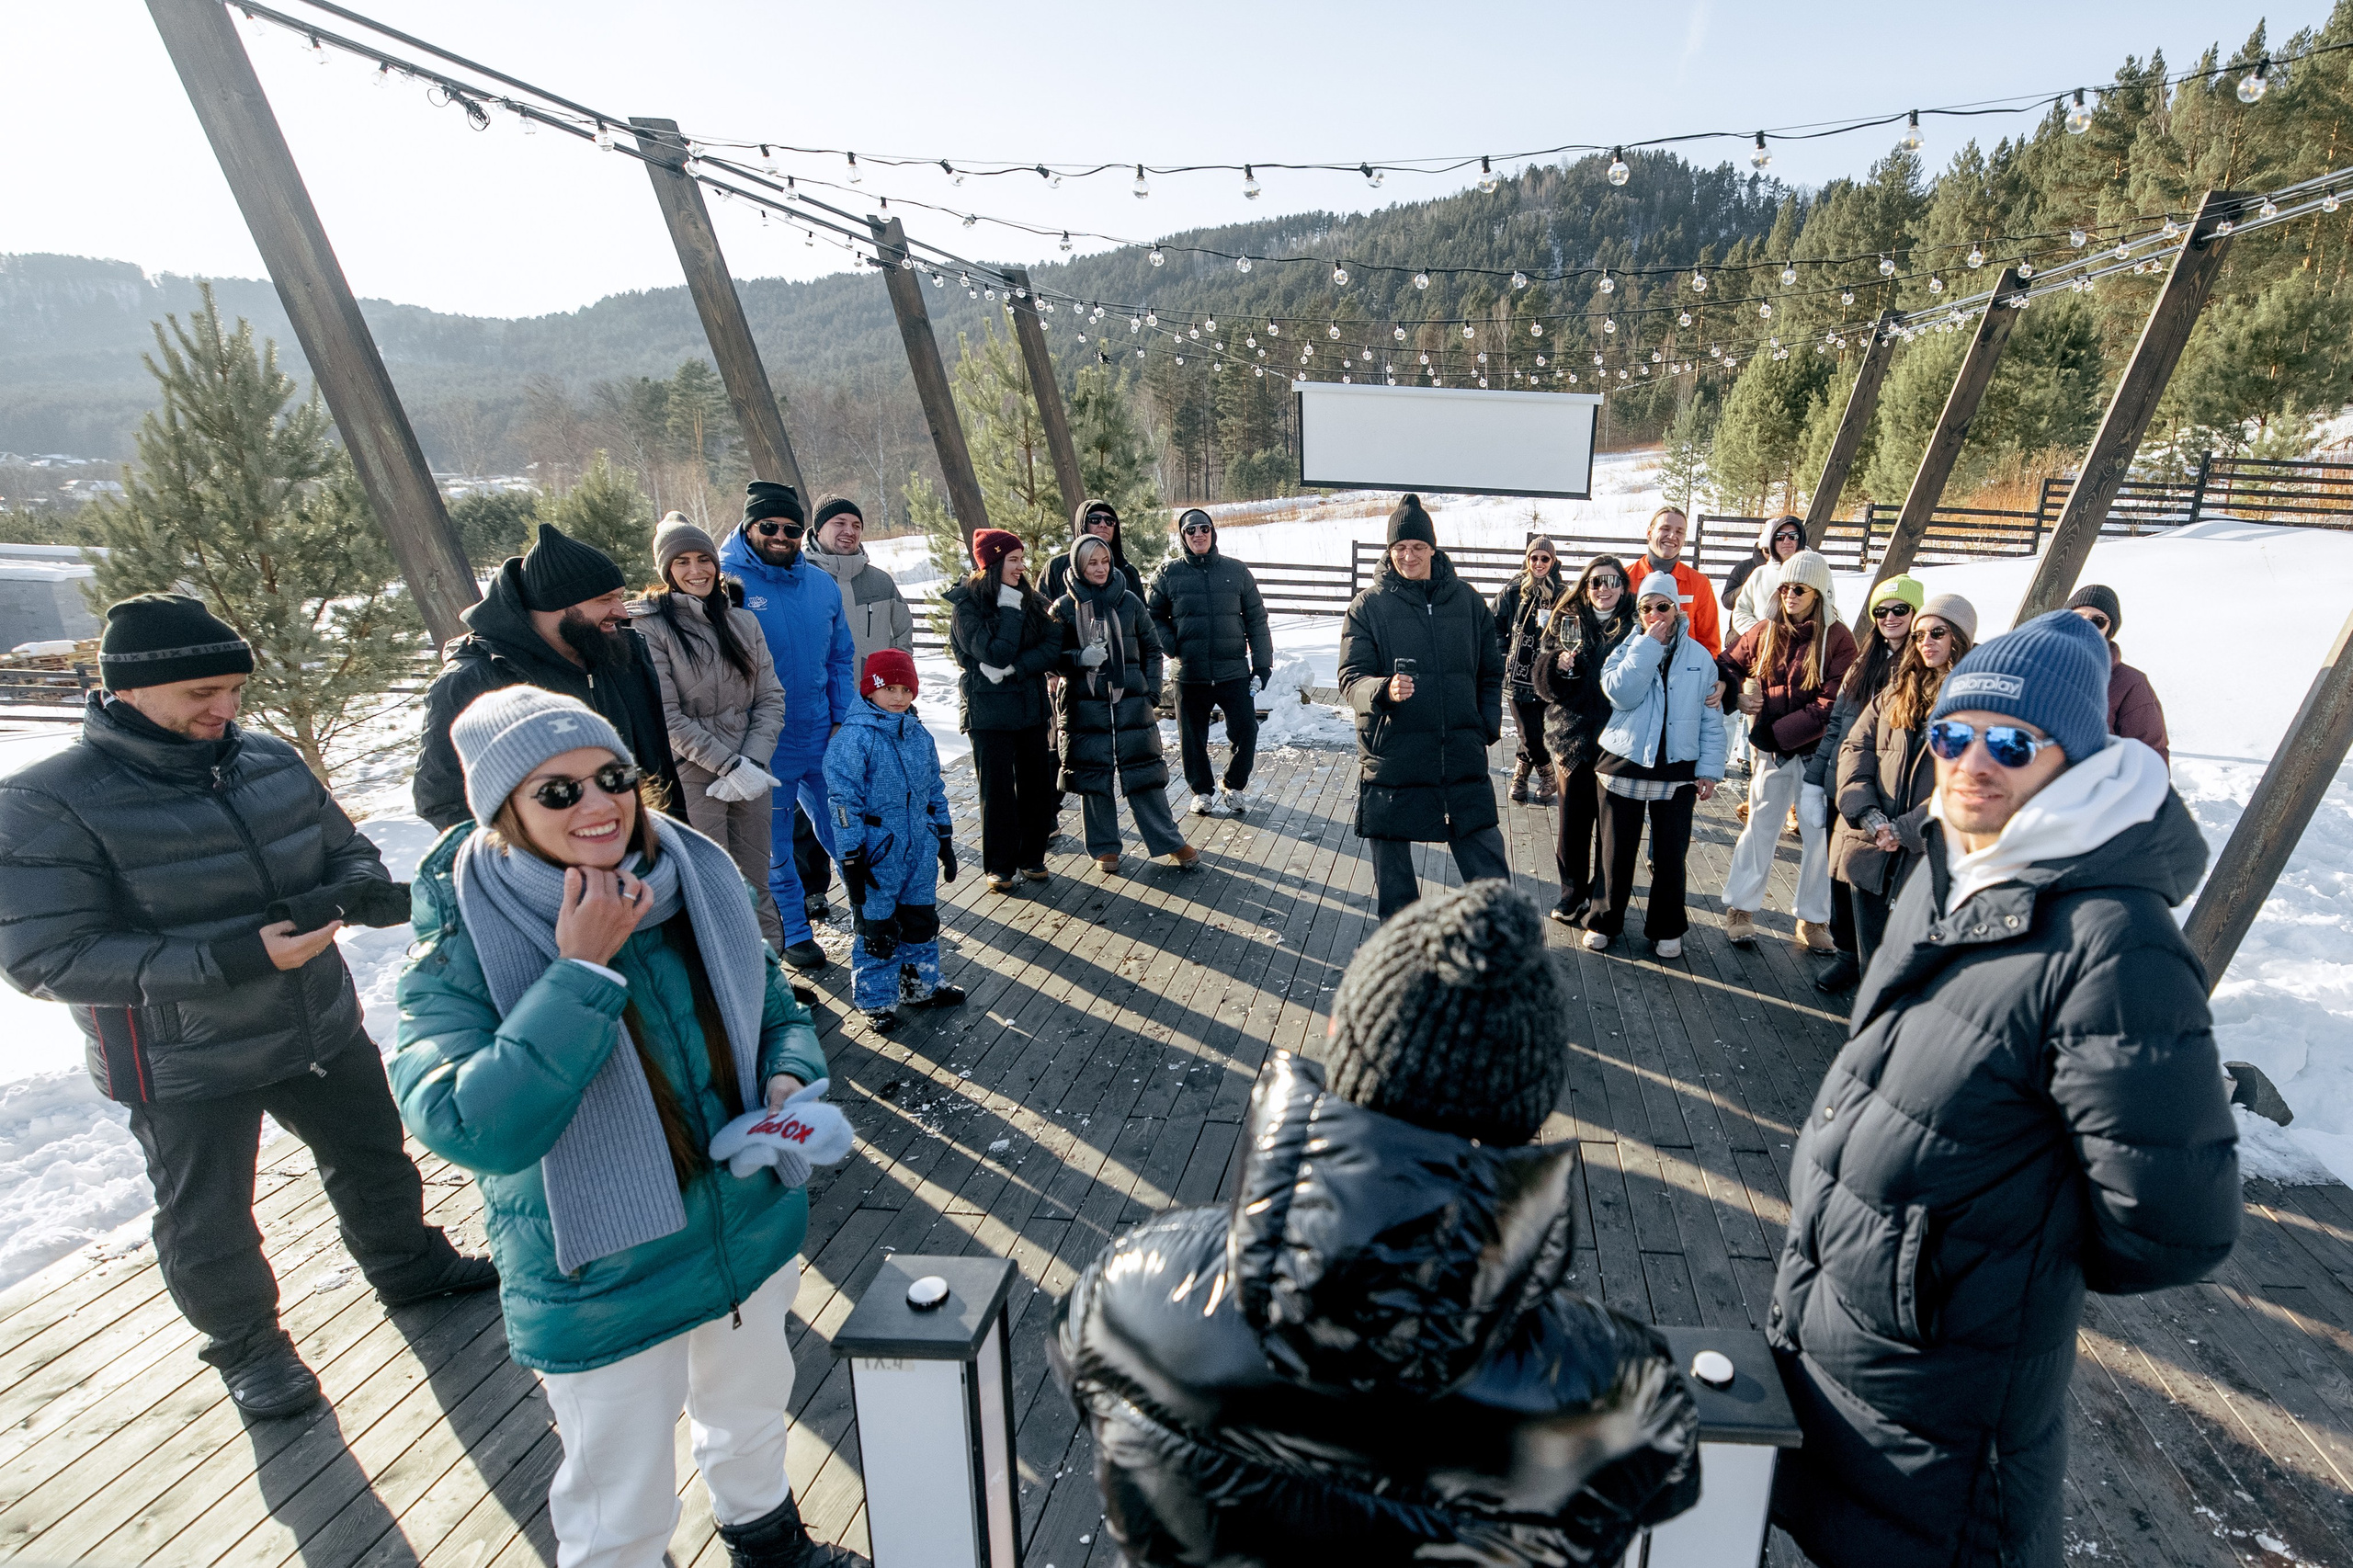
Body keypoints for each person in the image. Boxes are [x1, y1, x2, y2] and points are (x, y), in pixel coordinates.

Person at [1768, 609, 2239, 1568]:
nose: (1970, 763)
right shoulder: (1953, 873)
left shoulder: (2114, 940)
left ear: (2073, 759)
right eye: (1953, 733)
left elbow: (2176, 1224)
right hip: (1845, 1363)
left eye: (2012, 743)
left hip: (1947, 1414)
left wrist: (1970, 1258)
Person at [1051, 881, 1701, 1565]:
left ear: (1340, 1038)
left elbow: (1078, 1379)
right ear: (1531, 1106)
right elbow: (1669, 1489)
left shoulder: (1130, 1289)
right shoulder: (1619, 1392)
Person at [392, 687, 855, 1568]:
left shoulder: (696, 875)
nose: (599, 804)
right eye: (557, 791)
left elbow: (775, 1008)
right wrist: (580, 971)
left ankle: (766, 1539)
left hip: (744, 1225)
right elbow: (467, 1125)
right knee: (620, 1502)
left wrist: (792, 1078)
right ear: (504, 811)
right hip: (603, 1274)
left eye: (612, 777)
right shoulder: (463, 926)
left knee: (752, 1412)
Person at [0, 595, 494, 1419]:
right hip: (177, 1055)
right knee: (209, 1215)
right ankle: (249, 1350)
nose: (224, 709)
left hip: (315, 1017)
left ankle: (409, 1266)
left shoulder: (267, 758)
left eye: (234, 688)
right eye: (201, 694)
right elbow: (48, 958)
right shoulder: (46, 801)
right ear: (125, 690)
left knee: (373, 1154)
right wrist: (234, 956)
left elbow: (348, 854)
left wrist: (366, 899)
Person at [416, 523, 681, 834]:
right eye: (605, 599)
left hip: (639, 849)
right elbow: (442, 800)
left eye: (619, 597)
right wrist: (530, 862)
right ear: (559, 604)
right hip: (552, 869)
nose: (621, 611)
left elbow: (655, 766)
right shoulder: (475, 680)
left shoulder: (621, 652)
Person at [1337, 494, 1510, 920]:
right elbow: (1350, 678)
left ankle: (1506, 940)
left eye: (1417, 547)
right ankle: (1404, 948)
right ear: (1389, 551)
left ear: (1433, 548)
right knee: (1393, 871)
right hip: (1393, 751)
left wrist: (1484, 725)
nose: (1408, 555)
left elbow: (1491, 671)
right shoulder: (1368, 606)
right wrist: (1383, 691)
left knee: (1485, 858)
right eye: (1399, 548)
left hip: (1460, 750)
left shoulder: (1468, 602)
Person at [632, 515, 789, 951]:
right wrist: (729, 764)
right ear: (666, 570)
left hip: (752, 769)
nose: (696, 570)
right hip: (693, 775)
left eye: (704, 559)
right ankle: (726, 986)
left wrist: (753, 762)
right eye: (682, 561)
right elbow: (667, 715)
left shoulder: (742, 623)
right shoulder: (650, 628)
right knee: (710, 885)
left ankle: (770, 975)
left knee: (756, 876)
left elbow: (771, 698)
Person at [719, 482, 857, 974]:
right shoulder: (723, 583)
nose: (781, 536)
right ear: (748, 526)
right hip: (763, 743)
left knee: (844, 831)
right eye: (769, 527)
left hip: (823, 735)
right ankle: (795, 932)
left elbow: (842, 656)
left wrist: (843, 717)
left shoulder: (821, 585)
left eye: (792, 529)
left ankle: (868, 914)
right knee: (773, 847)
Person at [1717, 550, 1857, 951]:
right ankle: (1740, 908)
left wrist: (1776, 735)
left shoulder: (1838, 638)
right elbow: (1727, 664)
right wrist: (1740, 691)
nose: (1790, 595)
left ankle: (1813, 919)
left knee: (1817, 836)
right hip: (1772, 753)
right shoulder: (1765, 630)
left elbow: (1833, 702)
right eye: (1785, 587)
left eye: (1800, 588)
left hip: (1815, 755)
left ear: (1818, 592)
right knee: (1761, 827)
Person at [824, 649, 967, 1034]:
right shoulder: (853, 740)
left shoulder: (918, 734)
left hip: (918, 847)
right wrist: (852, 857)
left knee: (920, 922)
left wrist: (946, 837)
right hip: (875, 853)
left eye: (906, 689)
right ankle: (875, 999)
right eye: (889, 688)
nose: (899, 697)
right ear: (870, 689)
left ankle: (920, 986)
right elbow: (843, 804)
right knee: (878, 929)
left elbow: (934, 788)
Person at [1585, 573, 1728, 956]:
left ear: (1676, 609)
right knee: (1615, 850)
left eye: (1662, 606)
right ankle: (1604, 919)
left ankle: (1666, 926)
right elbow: (1621, 694)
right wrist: (1647, 647)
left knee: (1670, 854)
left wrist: (1710, 770)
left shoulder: (1699, 657)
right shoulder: (1626, 648)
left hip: (1676, 765)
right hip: (1625, 760)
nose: (1654, 615)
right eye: (1646, 608)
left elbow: (1711, 720)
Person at [1833, 592, 1976, 970]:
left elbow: (1965, 782)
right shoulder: (1897, 689)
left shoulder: (1975, 704)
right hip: (1874, 844)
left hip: (1928, 852)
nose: (1925, 642)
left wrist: (1905, 829)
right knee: (1871, 960)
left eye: (1937, 633)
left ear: (1958, 638)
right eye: (1919, 634)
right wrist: (1867, 814)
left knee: (1912, 964)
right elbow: (1855, 748)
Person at [799, 494, 916, 924]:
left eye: (856, 524)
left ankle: (879, 884)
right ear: (818, 529)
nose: (848, 531)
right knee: (814, 801)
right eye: (839, 524)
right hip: (817, 711)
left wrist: (896, 693)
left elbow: (902, 639)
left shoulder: (881, 582)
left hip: (875, 710)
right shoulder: (800, 579)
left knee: (873, 799)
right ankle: (813, 888)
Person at [1056, 534, 1199, 874]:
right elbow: (1051, 657)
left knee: (1144, 771)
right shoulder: (1063, 607)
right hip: (1086, 705)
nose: (1101, 568)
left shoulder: (1130, 601)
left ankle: (1168, 839)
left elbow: (1152, 648)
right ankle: (1104, 846)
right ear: (1078, 565)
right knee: (1094, 775)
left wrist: (1148, 692)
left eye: (1105, 561)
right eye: (1092, 562)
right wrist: (1078, 657)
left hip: (1131, 702)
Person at [1808, 574, 1921, 992]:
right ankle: (1847, 955)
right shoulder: (1865, 659)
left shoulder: (1921, 661)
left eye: (1899, 609)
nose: (1889, 617)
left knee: (1882, 878)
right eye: (1881, 611)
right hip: (1848, 783)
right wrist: (1818, 778)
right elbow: (1838, 723)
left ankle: (1882, 963)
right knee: (1843, 872)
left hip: (1891, 787)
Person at [946, 527, 1061, 892]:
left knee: (1036, 787)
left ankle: (1032, 856)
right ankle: (1000, 865)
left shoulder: (1032, 599)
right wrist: (1009, 610)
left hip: (1029, 707)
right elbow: (994, 652)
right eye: (1013, 560)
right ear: (992, 564)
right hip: (988, 714)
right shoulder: (967, 607)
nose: (1021, 567)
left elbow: (1053, 641)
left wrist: (1018, 667)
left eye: (1021, 559)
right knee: (997, 793)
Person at [1147, 506, 1273, 816]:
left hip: (1233, 670)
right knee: (1192, 738)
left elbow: (1257, 620)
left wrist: (1262, 665)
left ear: (1212, 532)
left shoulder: (1236, 571)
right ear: (1183, 536)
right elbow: (1152, 616)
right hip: (1190, 672)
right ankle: (1202, 791)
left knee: (1246, 731)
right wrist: (1172, 645)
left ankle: (1234, 784)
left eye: (1203, 528)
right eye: (1191, 530)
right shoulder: (1168, 573)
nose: (1198, 534)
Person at [1534, 552, 1638, 926]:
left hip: (1618, 739)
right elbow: (1540, 678)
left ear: (1623, 587)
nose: (1603, 589)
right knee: (1572, 825)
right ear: (1585, 585)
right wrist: (1555, 666)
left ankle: (1601, 899)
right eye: (1596, 581)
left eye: (1611, 581)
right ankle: (1572, 893)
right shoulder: (1566, 619)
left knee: (1611, 829)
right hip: (1571, 736)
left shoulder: (1635, 623)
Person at [1494, 535, 1567, 804]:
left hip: (1547, 676)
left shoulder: (1562, 594)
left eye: (1544, 558)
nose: (1538, 563)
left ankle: (1521, 776)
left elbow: (1572, 630)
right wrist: (1503, 652)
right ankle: (1548, 774)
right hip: (1515, 676)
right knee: (1529, 732)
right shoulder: (1513, 590)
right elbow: (1494, 624)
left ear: (1553, 561)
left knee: (1537, 730)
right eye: (1533, 558)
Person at [2068, 584, 2171, 762]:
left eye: (2097, 620)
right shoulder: (2036, 669)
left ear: (2109, 629)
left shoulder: (2130, 683)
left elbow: (2149, 754)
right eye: (2078, 617)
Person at [1631, 505, 1722, 655]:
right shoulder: (1626, 579)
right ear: (1649, 533)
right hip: (1635, 668)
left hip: (1684, 672)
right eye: (1665, 529)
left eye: (1679, 532)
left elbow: (1709, 642)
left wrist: (1706, 673)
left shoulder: (1699, 583)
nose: (1672, 535)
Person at [1043, 496, 1145, 602]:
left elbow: (1143, 616)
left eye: (1109, 521)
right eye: (1095, 520)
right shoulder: (1056, 567)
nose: (1103, 525)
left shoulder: (1128, 572)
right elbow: (1042, 613)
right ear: (1083, 525)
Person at [1722, 513, 1806, 634]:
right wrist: (1761, 635)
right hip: (1756, 644)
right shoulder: (1755, 573)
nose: (1786, 541)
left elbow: (1825, 611)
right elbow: (1735, 608)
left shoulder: (1815, 571)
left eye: (1793, 536)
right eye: (1780, 537)